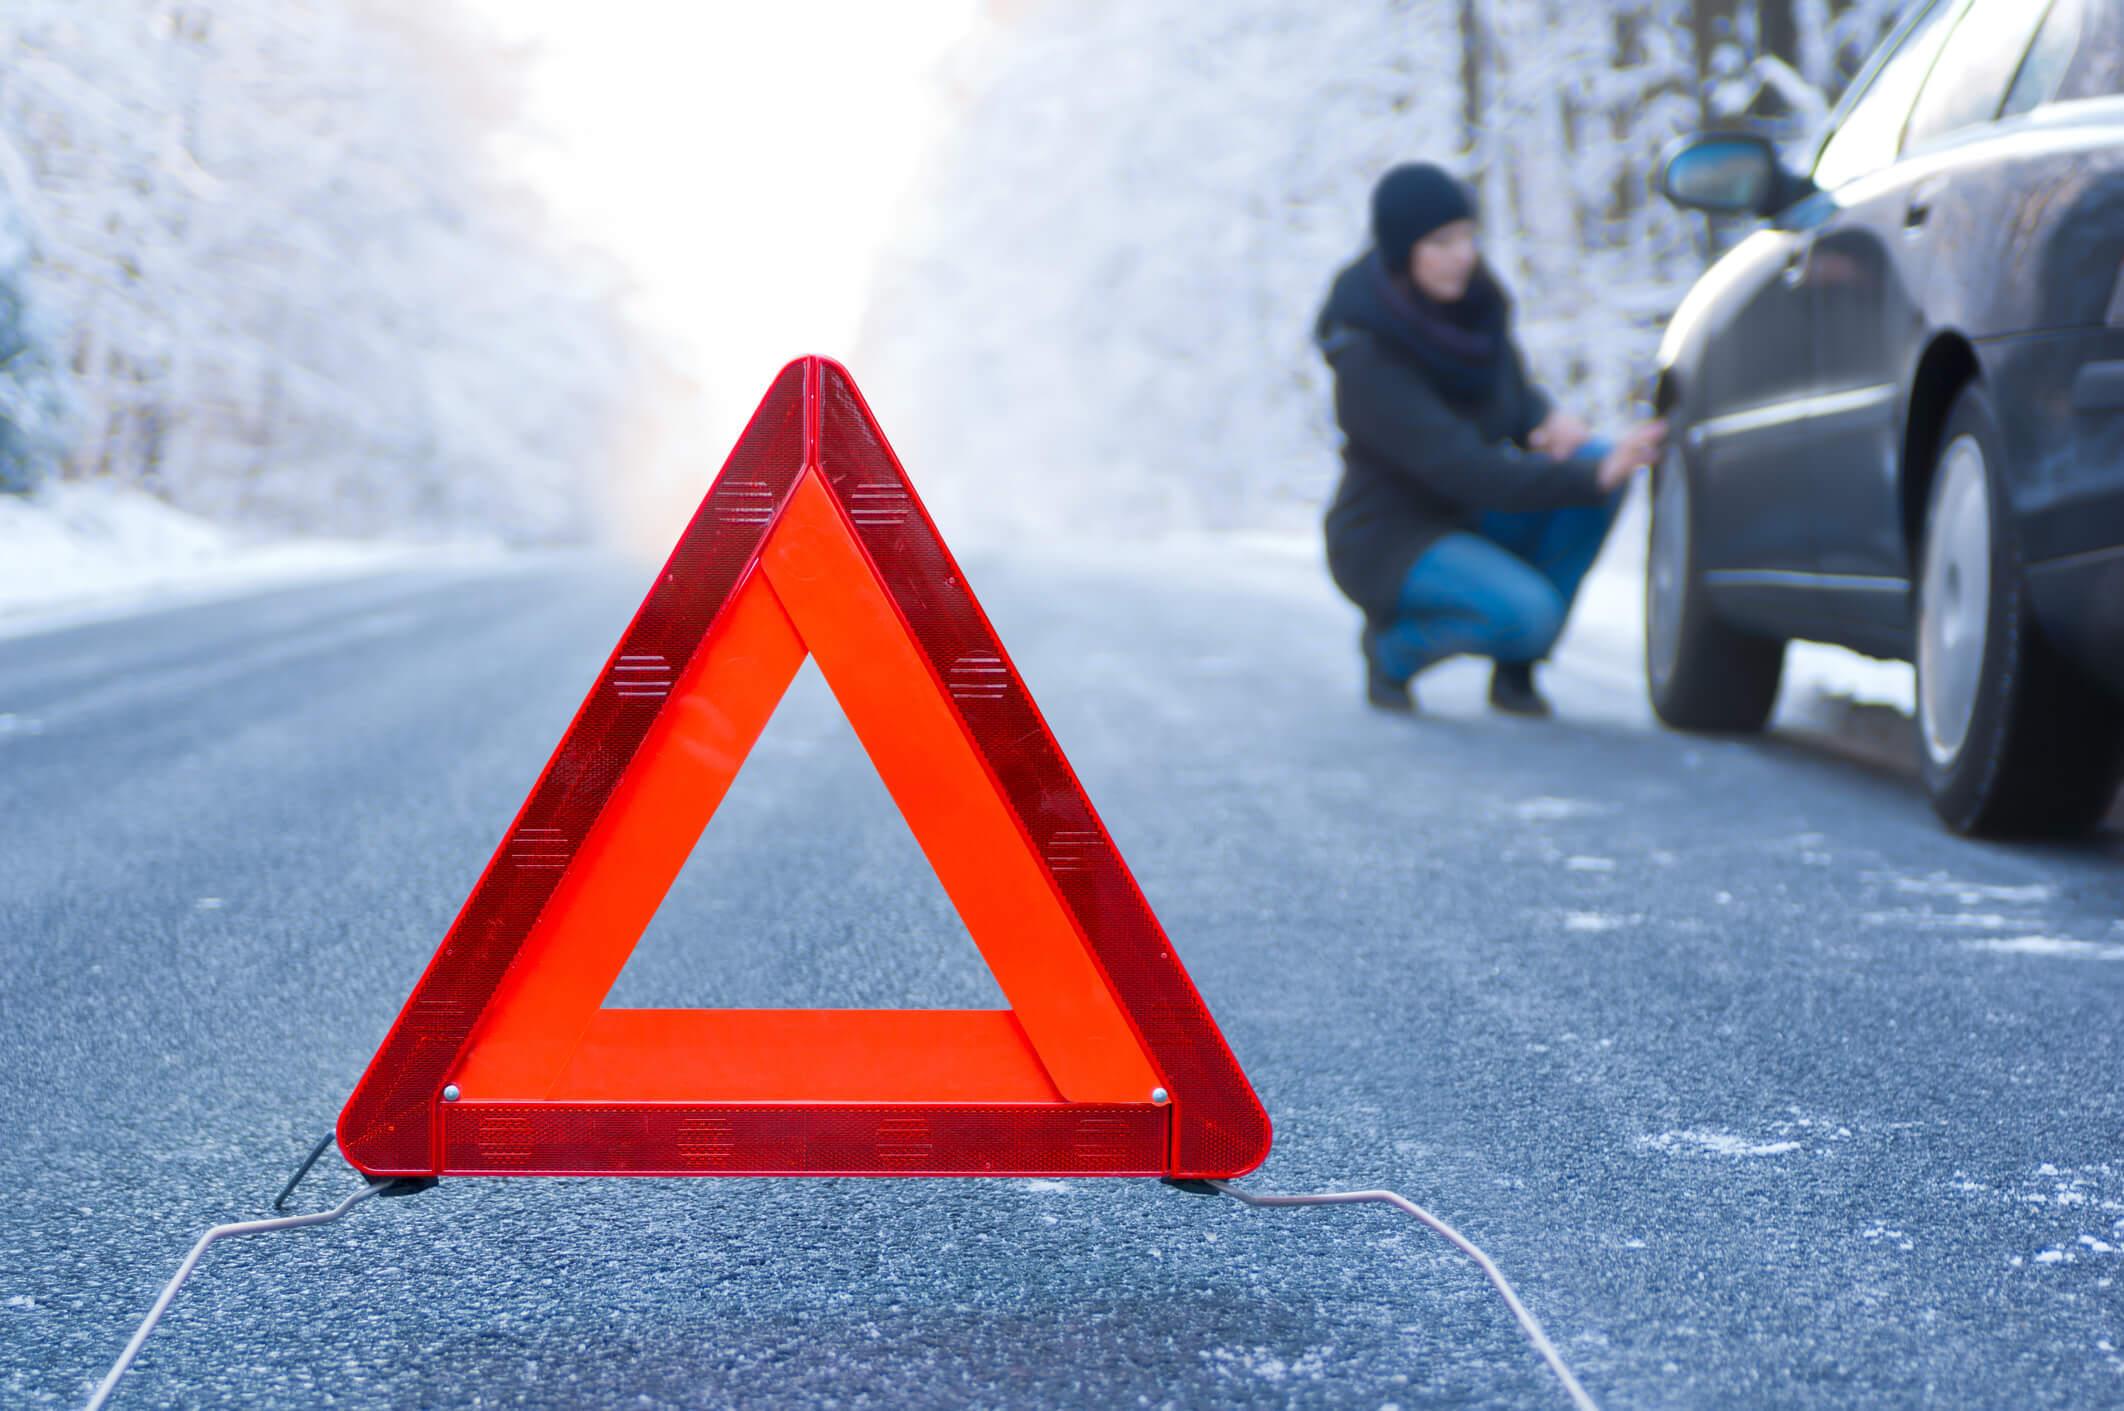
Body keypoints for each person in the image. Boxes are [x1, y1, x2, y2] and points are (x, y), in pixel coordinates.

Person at [1316, 162, 1666, 716]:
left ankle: (1517, 668)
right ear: (1403, 250)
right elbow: (1462, 466)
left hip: (1467, 514)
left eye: (1468, 237)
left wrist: (1543, 420)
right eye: (1442, 241)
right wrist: (1590, 475)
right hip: (1388, 539)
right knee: (1531, 605)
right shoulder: (1366, 355)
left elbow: (1510, 395)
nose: (1464, 255)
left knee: (1594, 462)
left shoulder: (1474, 310)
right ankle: (1392, 650)